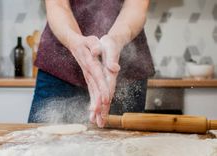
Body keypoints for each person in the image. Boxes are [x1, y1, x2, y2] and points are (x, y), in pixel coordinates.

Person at [28, 0, 155, 128]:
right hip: (60, 70)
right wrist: (74, 41)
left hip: (126, 72)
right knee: (41, 144)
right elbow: (58, 5)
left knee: (125, 146)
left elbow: (135, 6)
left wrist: (115, 40)